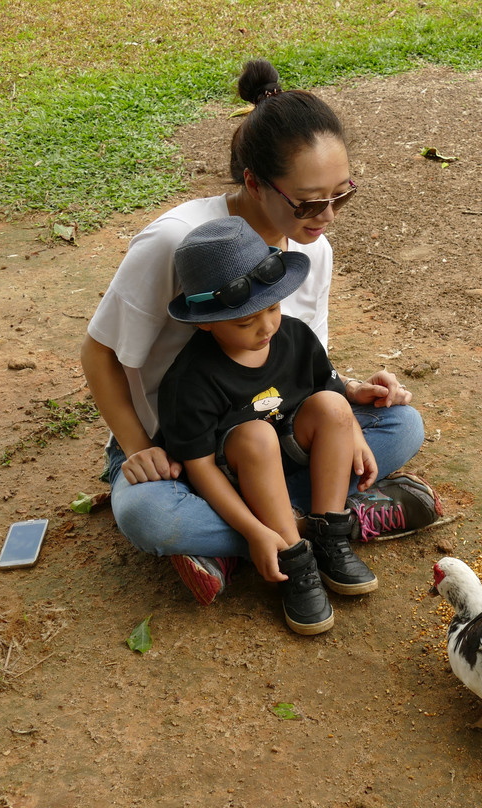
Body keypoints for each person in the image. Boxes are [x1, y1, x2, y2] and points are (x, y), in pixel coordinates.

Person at [80, 58, 442, 607]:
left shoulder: (311, 247)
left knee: (403, 425)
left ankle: (252, 537)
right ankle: (326, 524)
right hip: (184, 446)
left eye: (341, 195)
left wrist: (349, 398)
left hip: (278, 423)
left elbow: (304, 357)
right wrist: (136, 447)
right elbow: (98, 353)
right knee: (147, 517)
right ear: (253, 180)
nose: (327, 217)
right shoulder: (175, 243)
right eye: (308, 201)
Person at [160, 216, 372, 635]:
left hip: (293, 449)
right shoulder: (189, 379)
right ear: (204, 321)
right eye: (245, 322)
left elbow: (330, 390)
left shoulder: (294, 336)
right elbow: (199, 468)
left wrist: (354, 434)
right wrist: (254, 530)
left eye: (273, 307)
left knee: (340, 408)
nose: (266, 327)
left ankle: (330, 531)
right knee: (251, 437)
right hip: (238, 470)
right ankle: (291, 552)